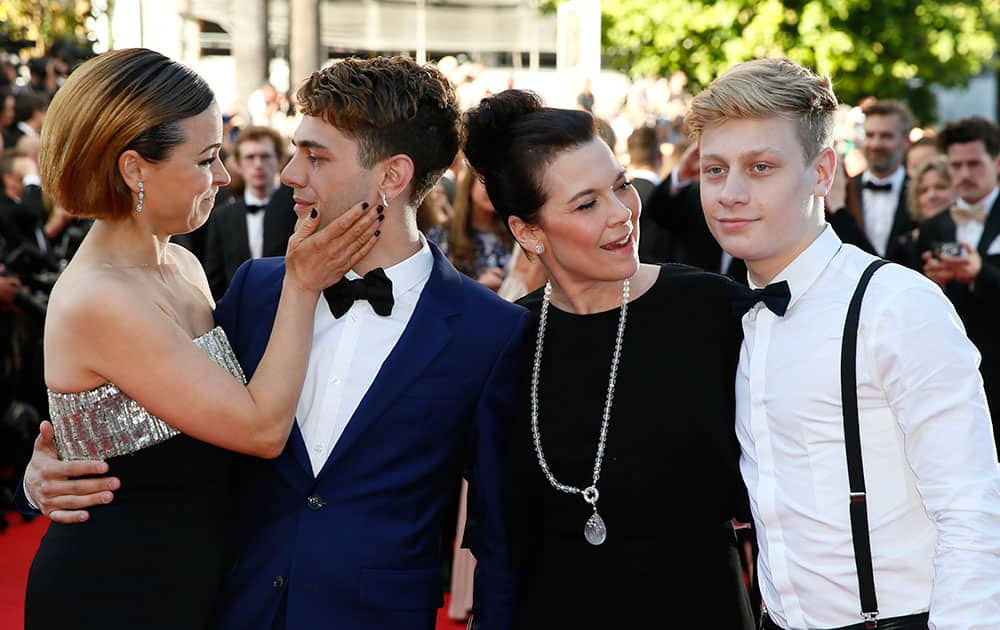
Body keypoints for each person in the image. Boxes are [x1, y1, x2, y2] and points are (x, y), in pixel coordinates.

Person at [21, 55, 528, 630]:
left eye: (314, 156)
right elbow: (136, 408)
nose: (286, 173)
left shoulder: (490, 332)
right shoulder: (257, 291)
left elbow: (501, 526)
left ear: (393, 175)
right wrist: (41, 475)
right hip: (209, 601)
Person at [15, 48, 379, 629]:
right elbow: (259, 430)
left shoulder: (180, 264)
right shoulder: (98, 299)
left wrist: (39, 475)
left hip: (194, 576)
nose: (224, 177)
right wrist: (302, 284)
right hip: (116, 590)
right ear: (135, 169)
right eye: (207, 159)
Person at [691, 57, 1000, 629]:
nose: (730, 193)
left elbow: (973, 511)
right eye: (715, 170)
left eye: (760, 166)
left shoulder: (898, 306)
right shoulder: (729, 313)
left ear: (822, 172)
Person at [463, 89, 755, 629]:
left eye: (621, 185)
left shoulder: (717, 313)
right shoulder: (505, 341)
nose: (623, 214)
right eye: (586, 203)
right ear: (528, 232)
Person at [918, 116, 1000, 454]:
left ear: (997, 162)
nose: (964, 174)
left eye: (974, 164)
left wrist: (980, 273)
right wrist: (930, 282)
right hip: (952, 370)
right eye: (956, 165)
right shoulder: (933, 226)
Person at [203, 125, 297, 299]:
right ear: (238, 164)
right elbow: (215, 280)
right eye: (250, 157)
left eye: (265, 156)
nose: (258, 165)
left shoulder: (297, 208)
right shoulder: (222, 216)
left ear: (279, 161)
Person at [839, 100, 917, 263]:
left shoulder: (921, 192)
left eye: (886, 136)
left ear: (905, 141)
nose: (875, 144)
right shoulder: (845, 190)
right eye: (870, 135)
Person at [426, 165, 513, 290]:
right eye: (486, 180)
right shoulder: (442, 234)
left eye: (500, 183)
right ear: (469, 184)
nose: (495, 189)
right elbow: (432, 290)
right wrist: (478, 287)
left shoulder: (514, 235)